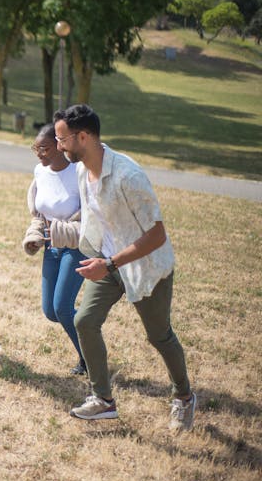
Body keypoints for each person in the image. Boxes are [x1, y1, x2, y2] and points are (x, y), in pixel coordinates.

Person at [53, 104, 196, 431]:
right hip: (107, 263)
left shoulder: (127, 175)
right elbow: (96, 218)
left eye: (63, 140)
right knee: (84, 321)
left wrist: (111, 262)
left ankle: (184, 397)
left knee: (159, 336)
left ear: (84, 136)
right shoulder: (80, 171)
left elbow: (157, 234)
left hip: (144, 265)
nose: (59, 147)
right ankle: (103, 400)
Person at [22, 124, 87, 376]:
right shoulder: (39, 171)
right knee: (50, 311)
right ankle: (88, 323)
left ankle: (88, 359)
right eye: (35, 148)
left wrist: (63, 230)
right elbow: (38, 212)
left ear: (60, 146)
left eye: (44, 148)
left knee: (62, 307)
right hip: (51, 246)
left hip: (76, 246)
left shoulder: (78, 172)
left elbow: (90, 214)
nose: (39, 154)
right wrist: (36, 234)